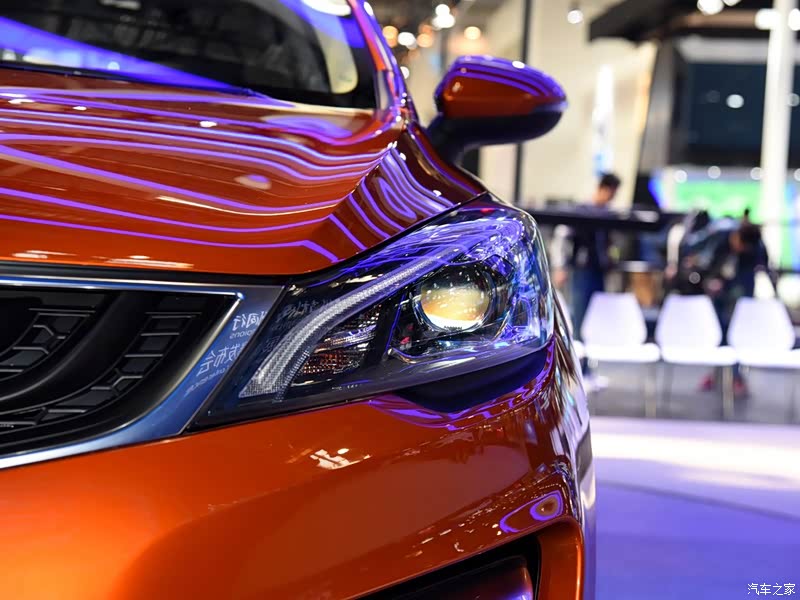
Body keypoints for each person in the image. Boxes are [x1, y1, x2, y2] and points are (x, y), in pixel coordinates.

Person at [681, 214, 770, 394]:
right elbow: (695, 250)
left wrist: (728, 286)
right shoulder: (720, 234)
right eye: (740, 245)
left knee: (735, 334)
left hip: (738, 295)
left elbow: (753, 273)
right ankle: (717, 375)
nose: (741, 249)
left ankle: (734, 377)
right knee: (719, 333)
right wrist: (710, 279)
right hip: (717, 293)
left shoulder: (755, 246)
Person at [552, 172, 621, 339]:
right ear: (604, 189)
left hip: (600, 269)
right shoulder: (582, 211)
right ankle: (578, 346)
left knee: (597, 314)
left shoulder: (607, 214)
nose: (612, 198)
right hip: (582, 269)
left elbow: (609, 243)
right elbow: (562, 238)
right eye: (611, 193)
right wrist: (560, 267)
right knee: (580, 312)